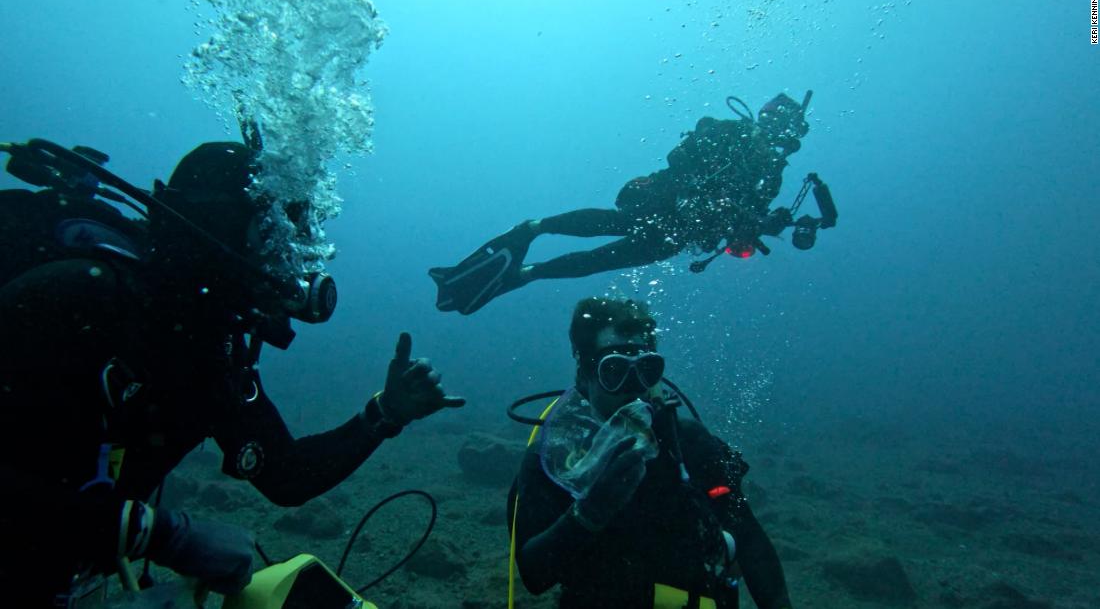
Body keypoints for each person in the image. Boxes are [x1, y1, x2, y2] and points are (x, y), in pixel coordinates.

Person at [0, 138, 465, 606]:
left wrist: (385, 415)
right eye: (271, 238)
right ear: (217, 227)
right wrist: (160, 535)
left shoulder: (208, 348)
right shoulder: (74, 298)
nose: (288, 267)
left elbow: (286, 475)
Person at [431, 91, 835, 315]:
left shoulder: (774, 175)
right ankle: (532, 229)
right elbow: (682, 157)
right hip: (663, 201)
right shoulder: (731, 133)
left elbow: (744, 218)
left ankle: (529, 272)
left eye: (791, 131)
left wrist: (763, 224)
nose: (783, 137)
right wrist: (701, 191)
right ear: (769, 121)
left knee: (603, 260)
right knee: (611, 224)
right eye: (782, 126)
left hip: (685, 233)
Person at [507, 297, 792, 608]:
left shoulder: (687, 442)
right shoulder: (554, 460)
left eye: (647, 369)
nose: (634, 387)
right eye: (614, 370)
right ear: (585, 376)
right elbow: (534, 576)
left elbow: (748, 537)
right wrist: (591, 511)